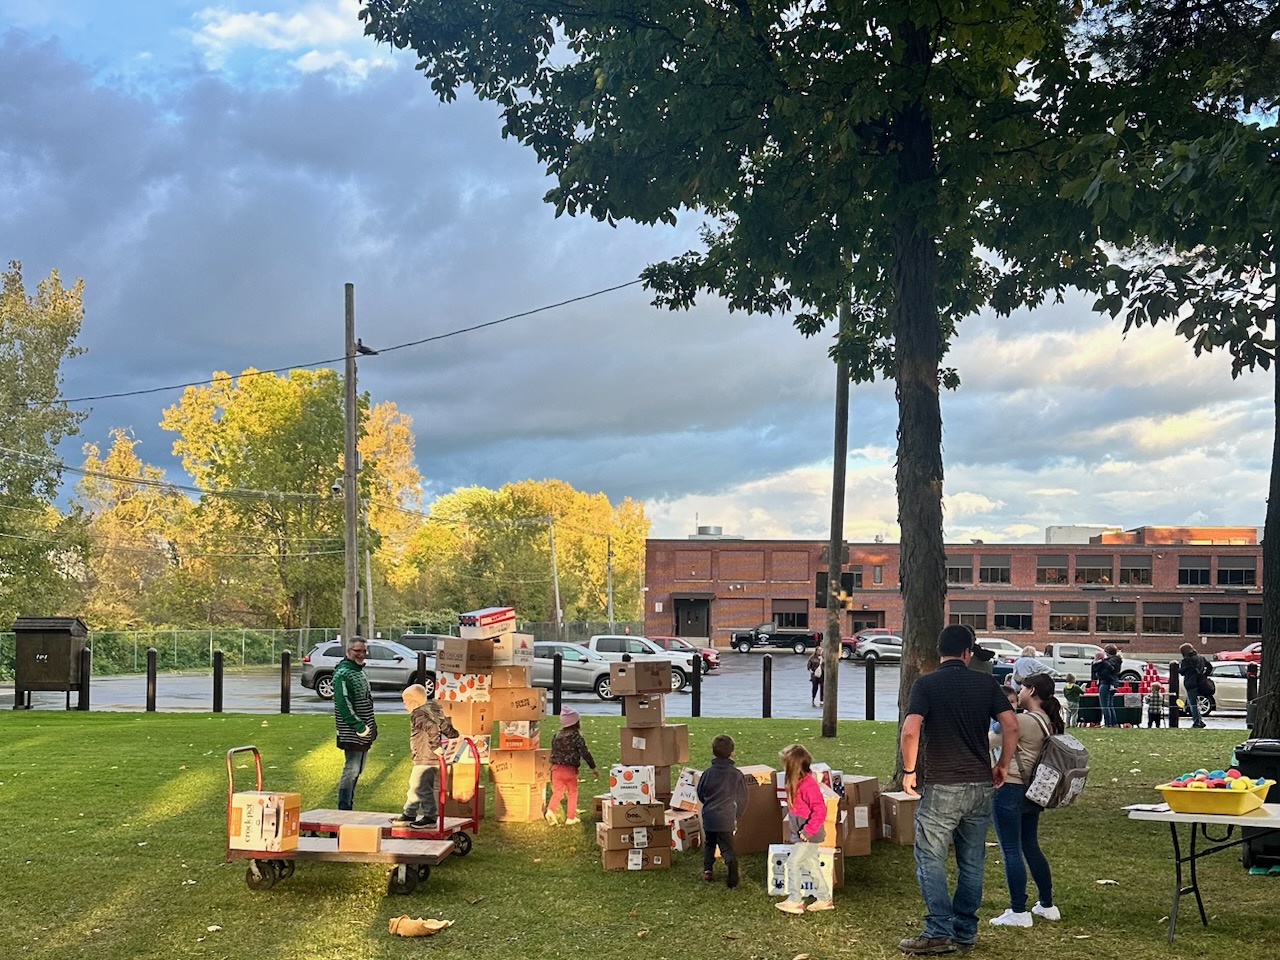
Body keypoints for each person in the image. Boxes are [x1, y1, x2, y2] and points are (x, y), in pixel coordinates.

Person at [899, 625, 1018, 955]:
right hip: (980, 784)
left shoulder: (926, 684)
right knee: (972, 860)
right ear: (967, 653)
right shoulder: (985, 682)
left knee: (930, 857)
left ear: (941, 652)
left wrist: (909, 771)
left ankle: (938, 929)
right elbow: (1011, 724)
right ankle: (965, 931)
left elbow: (911, 731)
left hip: (942, 784)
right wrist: (1003, 764)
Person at [988, 673, 1064, 928]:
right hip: (1033, 789)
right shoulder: (1047, 720)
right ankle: (1046, 904)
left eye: (1021, 688)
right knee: (1030, 845)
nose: (1018, 693)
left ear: (1031, 691)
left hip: (1010, 786)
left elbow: (988, 741)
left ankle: (1018, 910)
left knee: (1010, 849)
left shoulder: (1021, 720)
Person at [775, 742, 832, 914]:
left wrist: (807, 831)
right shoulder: (797, 782)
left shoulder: (808, 785)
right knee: (812, 865)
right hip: (802, 833)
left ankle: (795, 900)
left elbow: (820, 809)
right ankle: (824, 898)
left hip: (808, 835)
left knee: (793, 863)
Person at [392, 684, 458, 828]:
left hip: (425, 757)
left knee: (421, 788)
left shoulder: (417, 714)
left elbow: (432, 728)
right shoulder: (432, 710)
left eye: (405, 703)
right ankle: (409, 813)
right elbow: (444, 726)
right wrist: (455, 736)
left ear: (413, 703)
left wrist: (436, 747)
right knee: (416, 785)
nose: (404, 706)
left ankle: (430, 817)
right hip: (429, 758)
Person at [696, 733, 749, 888]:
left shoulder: (707, 773)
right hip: (726, 817)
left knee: (709, 843)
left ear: (713, 752)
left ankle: (707, 870)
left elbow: (700, 792)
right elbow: (743, 798)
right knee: (727, 846)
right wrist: (737, 815)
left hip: (710, 817)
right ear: (732, 752)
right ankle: (731, 868)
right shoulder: (737, 775)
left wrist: (707, 803)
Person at [332, 636, 378, 810]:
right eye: (357, 651)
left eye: (364, 651)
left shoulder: (358, 671)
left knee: (357, 770)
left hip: (364, 729)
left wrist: (372, 726)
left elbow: (366, 700)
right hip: (352, 731)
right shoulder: (343, 673)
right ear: (348, 651)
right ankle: (344, 808)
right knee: (351, 770)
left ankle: (348, 805)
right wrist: (359, 726)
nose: (361, 654)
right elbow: (343, 703)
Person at [545, 706, 599, 825]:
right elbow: (585, 753)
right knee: (572, 792)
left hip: (555, 768)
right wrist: (593, 767)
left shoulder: (556, 736)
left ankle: (550, 810)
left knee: (558, 793)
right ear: (576, 722)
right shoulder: (576, 737)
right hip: (569, 770)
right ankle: (570, 817)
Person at [1178, 643, 1212, 729]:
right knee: (1197, 702)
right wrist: (1204, 675)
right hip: (1200, 683)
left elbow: (1182, 672)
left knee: (1192, 703)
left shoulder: (1186, 660)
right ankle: (1199, 720)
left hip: (1191, 683)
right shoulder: (1201, 658)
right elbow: (1210, 667)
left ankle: (1197, 722)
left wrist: (1179, 669)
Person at [1094, 644, 1122, 728]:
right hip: (1112, 684)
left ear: (1107, 652)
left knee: (1105, 705)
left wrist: (1099, 669)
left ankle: (1108, 724)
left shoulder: (1109, 661)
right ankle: (1113, 723)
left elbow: (1105, 671)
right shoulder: (1117, 660)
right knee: (1110, 705)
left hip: (1105, 683)